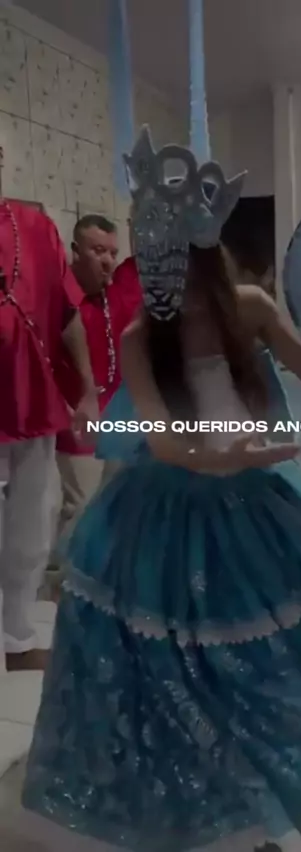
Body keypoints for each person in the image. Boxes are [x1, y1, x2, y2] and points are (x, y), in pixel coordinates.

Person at [21, 164, 301, 849]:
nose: (163, 271)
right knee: (172, 658)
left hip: (254, 502)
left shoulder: (250, 307)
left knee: (277, 655)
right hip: (166, 503)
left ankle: (279, 778)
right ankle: (207, 794)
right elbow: (162, 438)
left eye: (175, 255)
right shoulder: (144, 335)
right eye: (153, 256)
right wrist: (224, 458)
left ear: (206, 254)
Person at [0, 200, 98, 673]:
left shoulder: (36, 226)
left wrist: (88, 391)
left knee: (34, 524)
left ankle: (17, 640)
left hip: (31, 397)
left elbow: (67, 312)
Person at [54, 216, 142, 550]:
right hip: (78, 425)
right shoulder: (58, 299)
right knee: (80, 509)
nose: (108, 261)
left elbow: (143, 259)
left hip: (119, 421)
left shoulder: (118, 291)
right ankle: (59, 574)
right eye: (98, 251)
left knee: (118, 507)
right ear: (76, 251)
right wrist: (66, 412)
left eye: (112, 253)